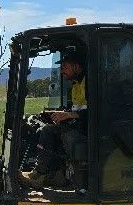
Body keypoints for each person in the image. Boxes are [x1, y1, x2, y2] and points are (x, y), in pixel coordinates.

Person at [20, 53, 87, 187]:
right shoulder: (76, 85)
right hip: (78, 125)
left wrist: (70, 115)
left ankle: (40, 174)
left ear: (77, 67)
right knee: (43, 127)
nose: (62, 71)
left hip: (87, 129)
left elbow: (95, 112)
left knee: (48, 131)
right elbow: (76, 108)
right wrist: (60, 112)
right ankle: (50, 174)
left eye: (65, 67)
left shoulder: (89, 84)